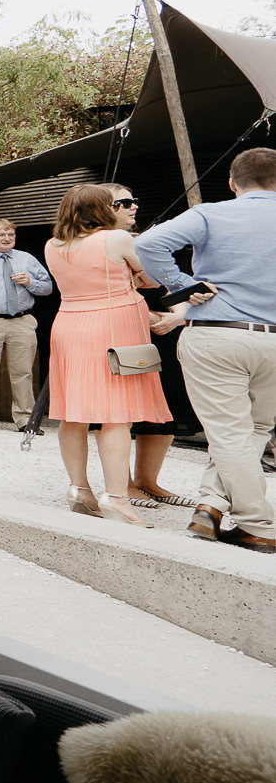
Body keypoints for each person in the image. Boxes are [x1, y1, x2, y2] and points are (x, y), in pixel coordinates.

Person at [136, 146, 276, 554]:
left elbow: (149, 245)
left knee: (229, 433)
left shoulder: (211, 213)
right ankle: (210, 506)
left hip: (217, 332)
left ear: (233, 183)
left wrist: (182, 285)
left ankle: (259, 525)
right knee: (254, 429)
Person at [40, 183, 167, 528]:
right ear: (102, 209)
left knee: (73, 412)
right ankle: (117, 497)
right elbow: (152, 278)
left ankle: (79, 489)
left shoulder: (53, 244)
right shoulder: (116, 239)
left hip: (68, 324)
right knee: (116, 415)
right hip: (112, 324)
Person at [109, 185, 188, 503]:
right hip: (122, 332)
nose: (133, 206)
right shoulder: (97, 246)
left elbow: (177, 283)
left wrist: (178, 315)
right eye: (125, 202)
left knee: (167, 407)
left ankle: (148, 480)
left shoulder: (148, 244)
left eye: (135, 201)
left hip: (163, 335)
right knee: (122, 412)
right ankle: (123, 483)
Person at [0, 217, 51, 432]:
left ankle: (25, 419)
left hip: (22, 321)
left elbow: (48, 288)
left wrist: (30, 282)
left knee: (23, 372)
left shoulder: (27, 259)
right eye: (2, 234)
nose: (7, 238)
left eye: (11, 235)